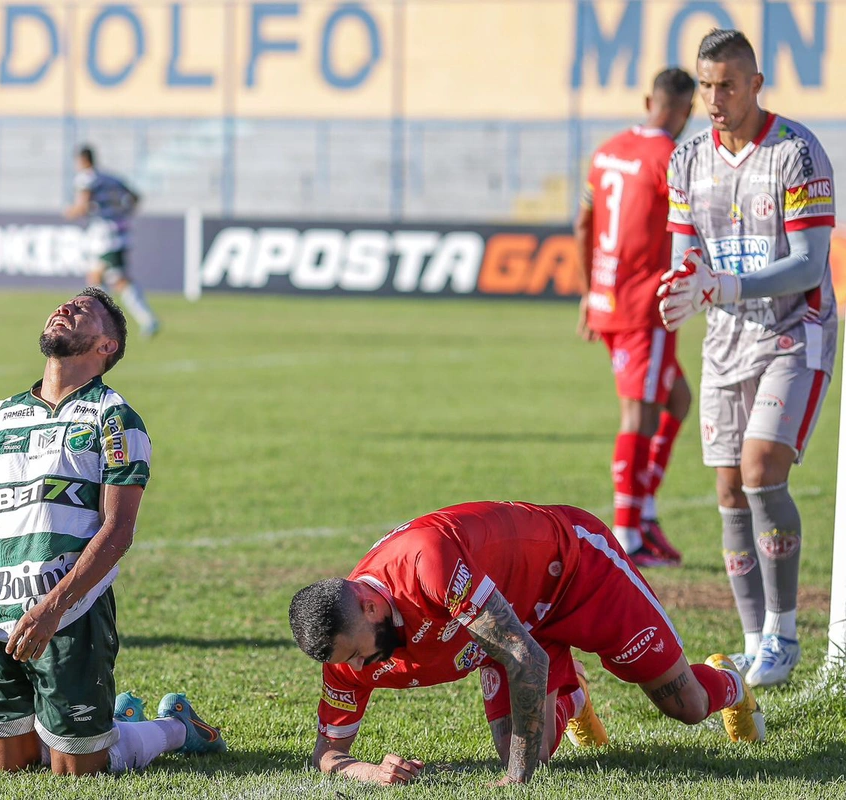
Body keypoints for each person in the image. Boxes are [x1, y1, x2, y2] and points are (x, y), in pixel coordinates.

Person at [0, 287, 225, 773]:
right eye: (64, 305)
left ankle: (177, 727)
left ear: (105, 346)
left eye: (82, 311)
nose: (64, 309)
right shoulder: (0, 417)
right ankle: (108, 721)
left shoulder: (113, 418)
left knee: (76, 770)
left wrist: (53, 609)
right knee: (8, 767)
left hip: (70, 615)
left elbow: (118, 531)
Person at [288, 501, 763, 787]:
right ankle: (572, 696)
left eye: (359, 652)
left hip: (576, 572)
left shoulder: (425, 563)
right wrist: (368, 772)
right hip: (509, 623)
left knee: (689, 706)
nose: (363, 666)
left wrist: (517, 779)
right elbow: (326, 756)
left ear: (372, 607)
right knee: (526, 746)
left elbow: (522, 655)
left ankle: (729, 684)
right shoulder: (343, 650)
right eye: (348, 660)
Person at [658, 29, 836, 687]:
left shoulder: (796, 153)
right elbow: (685, 249)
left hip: (796, 332)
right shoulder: (689, 159)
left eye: (727, 84)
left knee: (762, 470)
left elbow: (810, 263)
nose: (714, 98)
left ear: (756, 84)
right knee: (729, 489)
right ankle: (755, 638)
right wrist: (680, 286)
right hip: (726, 341)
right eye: (706, 85)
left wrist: (726, 284)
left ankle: (785, 636)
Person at [575, 68, 696, 568]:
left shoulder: (606, 151)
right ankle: (629, 532)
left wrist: (587, 293)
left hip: (606, 299)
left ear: (649, 99)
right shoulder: (671, 157)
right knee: (640, 414)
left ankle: (643, 513)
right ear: (685, 110)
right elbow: (690, 226)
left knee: (677, 400)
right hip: (644, 304)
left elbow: (583, 222)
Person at [65, 145, 160, 337]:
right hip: (117, 231)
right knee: (96, 277)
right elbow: (135, 197)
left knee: (119, 280)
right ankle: (101, 322)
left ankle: (147, 319)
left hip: (105, 237)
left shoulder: (86, 178)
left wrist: (71, 212)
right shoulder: (111, 178)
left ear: (82, 161)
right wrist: (122, 213)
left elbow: (82, 206)